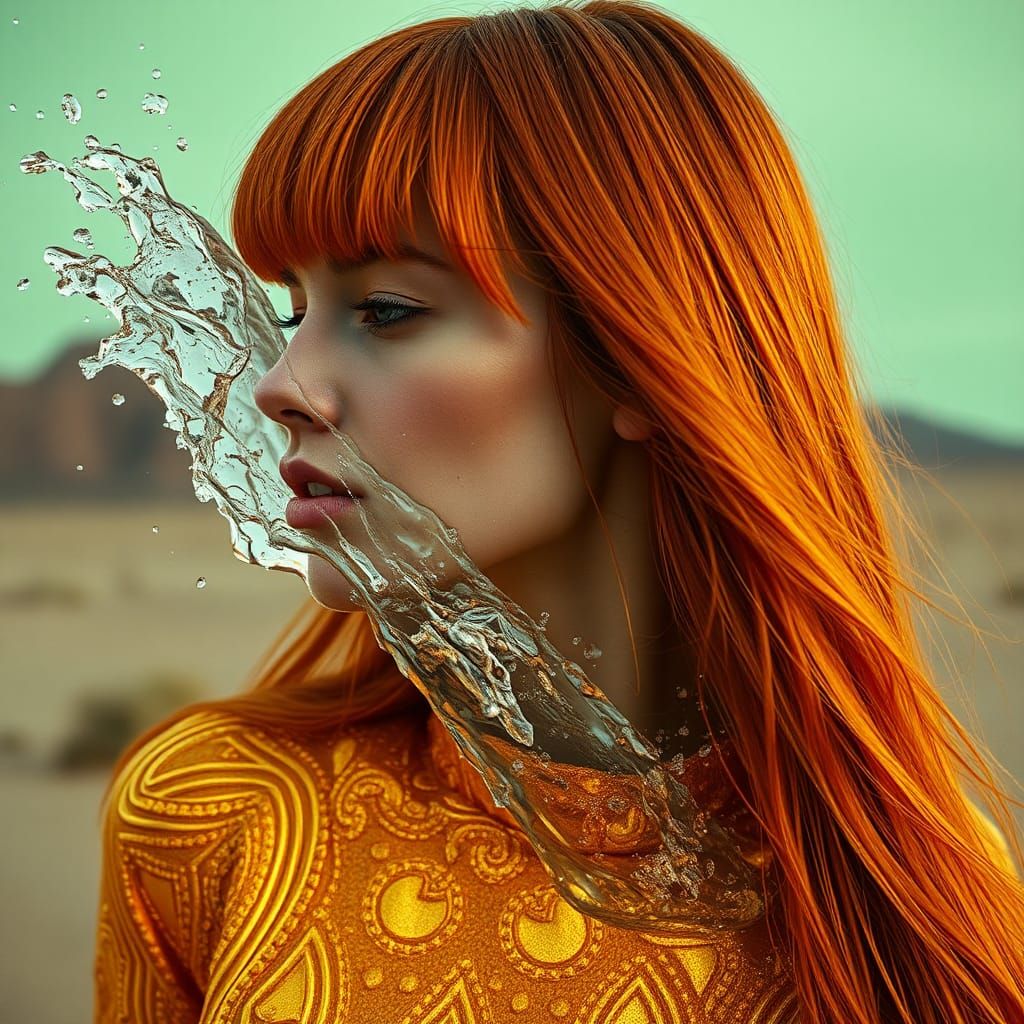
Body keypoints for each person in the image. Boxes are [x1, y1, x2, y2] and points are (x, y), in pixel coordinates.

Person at [92, 3, 1024, 1022]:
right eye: (294, 311)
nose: (281, 384)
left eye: (386, 310)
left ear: (636, 356)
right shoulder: (210, 808)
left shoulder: (914, 888)